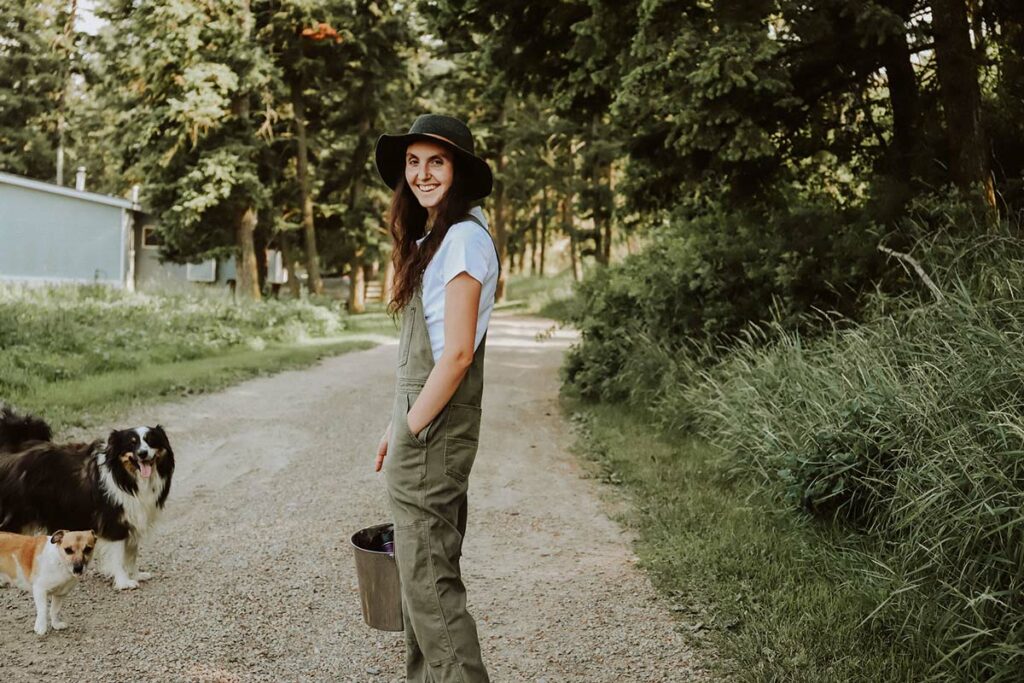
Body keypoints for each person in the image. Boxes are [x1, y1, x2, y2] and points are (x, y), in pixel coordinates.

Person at [372, 114, 499, 682]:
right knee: (419, 583)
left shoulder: (467, 239)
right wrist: (392, 424)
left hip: (433, 431)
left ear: (459, 172)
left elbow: (456, 357)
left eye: (436, 162)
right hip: (422, 423)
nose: (422, 173)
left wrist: (409, 429)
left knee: (430, 584)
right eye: (413, 162)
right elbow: (421, 355)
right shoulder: (435, 240)